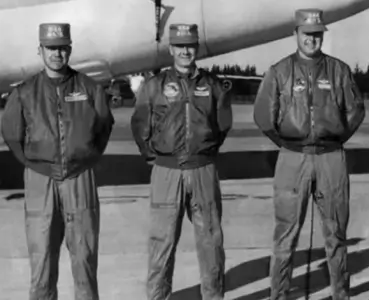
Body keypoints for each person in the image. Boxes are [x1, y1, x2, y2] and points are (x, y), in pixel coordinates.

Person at [253, 8, 365, 299]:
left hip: (331, 158)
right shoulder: (279, 72)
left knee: (336, 234)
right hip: (292, 159)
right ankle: (279, 295)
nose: (312, 40)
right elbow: (264, 116)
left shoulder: (339, 71)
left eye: (317, 35)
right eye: (307, 34)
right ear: (295, 35)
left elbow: (355, 111)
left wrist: (335, 137)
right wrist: (289, 142)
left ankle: (341, 294)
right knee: (285, 235)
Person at [1, 23, 114, 300]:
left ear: (70, 50)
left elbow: (103, 126)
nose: (57, 54)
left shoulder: (89, 88)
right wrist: (35, 164)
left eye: (62, 48)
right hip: (41, 181)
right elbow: (12, 134)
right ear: (40, 50)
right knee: (42, 263)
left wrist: (86, 156)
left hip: (80, 178)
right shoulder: (24, 92)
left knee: (84, 260)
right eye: (51, 48)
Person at [130, 23, 232, 300]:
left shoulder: (212, 85)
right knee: (161, 244)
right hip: (167, 172)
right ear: (171, 49)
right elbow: (141, 125)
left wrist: (204, 152)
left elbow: (222, 124)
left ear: (196, 48)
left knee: (211, 242)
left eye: (190, 45)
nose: (185, 51)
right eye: (180, 46)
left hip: (203, 170)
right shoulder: (154, 86)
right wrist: (158, 158)